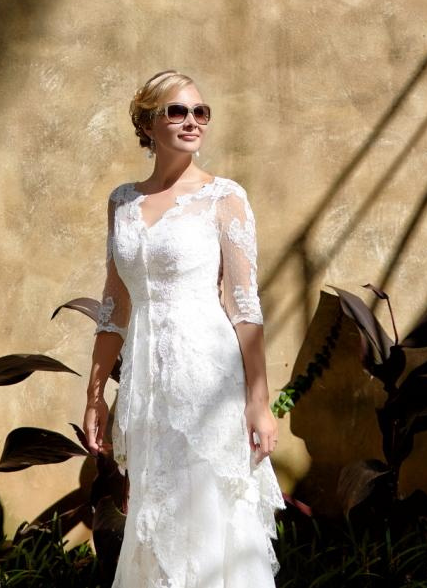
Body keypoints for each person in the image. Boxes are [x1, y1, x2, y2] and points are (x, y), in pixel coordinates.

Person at [83, 70, 284, 588]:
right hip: (148, 388)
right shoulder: (121, 202)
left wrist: (258, 401)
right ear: (148, 123)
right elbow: (115, 304)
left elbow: (245, 308)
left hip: (207, 380)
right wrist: (96, 394)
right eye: (178, 111)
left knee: (210, 512)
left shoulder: (225, 198)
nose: (192, 121)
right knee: (157, 515)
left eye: (201, 112)